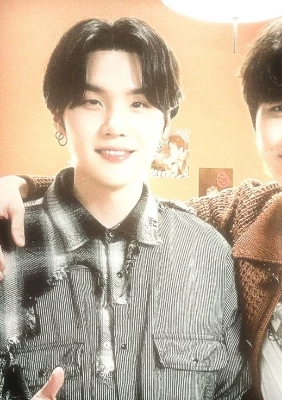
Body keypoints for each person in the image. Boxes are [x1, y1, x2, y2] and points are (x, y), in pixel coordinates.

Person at [1, 15, 282, 400]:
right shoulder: (246, 217)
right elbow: (114, 201)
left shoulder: (209, 246)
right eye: (280, 108)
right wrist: (20, 187)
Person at [0, 17, 250, 399]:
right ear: (59, 119)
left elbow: (233, 391)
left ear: (165, 126)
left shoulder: (207, 251)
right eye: (92, 101)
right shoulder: (7, 249)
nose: (114, 125)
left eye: (139, 103)